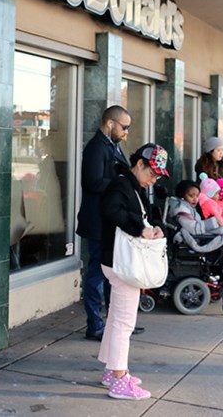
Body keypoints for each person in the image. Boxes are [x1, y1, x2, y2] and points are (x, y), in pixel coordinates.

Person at [98, 143, 168, 400]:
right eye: (153, 173)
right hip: (122, 263)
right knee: (124, 322)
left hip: (116, 260)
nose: (154, 179)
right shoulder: (122, 184)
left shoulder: (129, 184)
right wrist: (141, 228)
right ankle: (119, 378)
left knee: (117, 318)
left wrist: (153, 226)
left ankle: (111, 370)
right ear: (140, 164)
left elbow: (137, 214)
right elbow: (111, 211)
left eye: (158, 176)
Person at [77, 105, 132, 342]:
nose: (126, 133)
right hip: (97, 221)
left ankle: (114, 324)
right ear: (110, 123)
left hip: (110, 221)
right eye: (124, 127)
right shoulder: (95, 147)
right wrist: (120, 182)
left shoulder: (113, 146)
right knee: (97, 274)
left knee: (112, 274)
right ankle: (94, 324)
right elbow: (93, 183)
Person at [169, 179, 223, 295]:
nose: (195, 199)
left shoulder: (187, 207)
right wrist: (215, 222)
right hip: (194, 243)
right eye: (191, 196)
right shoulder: (181, 209)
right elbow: (194, 229)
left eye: (197, 195)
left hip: (197, 239)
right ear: (182, 195)